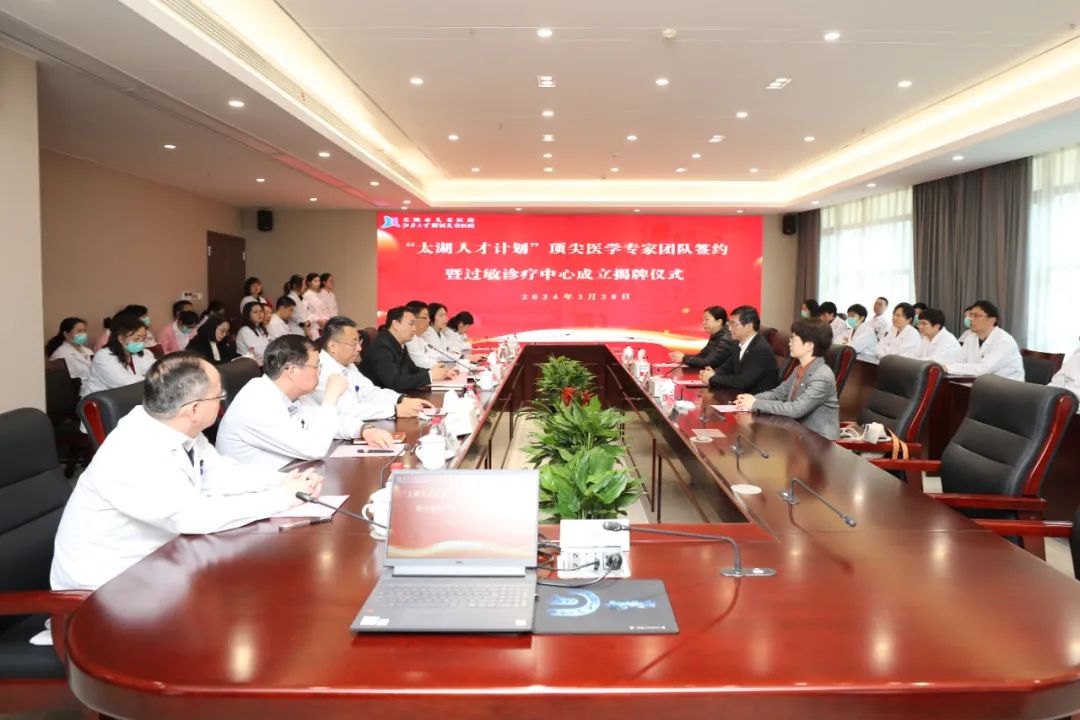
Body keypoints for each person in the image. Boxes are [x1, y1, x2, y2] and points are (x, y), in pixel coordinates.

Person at [50, 352, 322, 592]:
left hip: (163, 561)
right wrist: (281, 498)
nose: (221, 403)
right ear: (194, 409)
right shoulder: (134, 450)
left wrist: (285, 481)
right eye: (219, 396)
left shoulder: (177, 428)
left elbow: (221, 475)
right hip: (108, 588)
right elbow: (195, 518)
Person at [218, 335, 378, 469]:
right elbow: (315, 448)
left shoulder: (293, 394)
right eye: (316, 366)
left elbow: (324, 423)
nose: (320, 372)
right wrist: (331, 396)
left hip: (289, 475)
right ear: (293, 371)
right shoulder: (257, 402)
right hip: (256, 489)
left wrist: (363, 429)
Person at [315, 317, 433, 434]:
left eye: (359, 342)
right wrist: (395, 410)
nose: (359, 348)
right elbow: (349, 411)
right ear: (333, 346)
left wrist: (401, 399)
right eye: (353, 343)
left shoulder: (347, 364)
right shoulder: (322, 371)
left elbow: (371, 392)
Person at [735, 319, 840, 440]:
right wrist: (750, 399)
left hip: (820, 440)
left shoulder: (822, 375)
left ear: (809, 345)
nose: (789, 343)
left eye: (793, 338)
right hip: (798, 434)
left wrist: (755, 404)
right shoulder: (799, 368)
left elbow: (796, 409)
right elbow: (778, 394)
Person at [361, 306, 457, 391]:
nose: (414, 329)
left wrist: (439, 372)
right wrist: (430, 375)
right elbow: (395, 382)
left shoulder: (400, 343)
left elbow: (413, 369)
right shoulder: (382, 347)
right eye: (411, 324)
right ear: (395, 324)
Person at [699, 305, 779, 394]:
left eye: (734, 324)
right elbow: (727, 368)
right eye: (729, 324)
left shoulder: (760, 350)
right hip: (739, 394)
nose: (729, 328)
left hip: (756, 398)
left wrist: (713, 378)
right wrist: (713, 373)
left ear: (749, 326)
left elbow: (743, 382)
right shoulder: (737, 343)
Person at [942, 300, 1025, 380]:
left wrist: (948, 368)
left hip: (1008, 387)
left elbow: (984, 369)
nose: (970, 319)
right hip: (980, 384)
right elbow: (958, 361)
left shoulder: (1004, 341)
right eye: (970, 315)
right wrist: (947, 367)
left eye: (976, 316)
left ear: (992, 320)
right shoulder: (971, 338)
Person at [81, 313, 156, 398]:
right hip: (99, 401)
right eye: (137, 339)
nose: (141, 342)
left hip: (128, 397)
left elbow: (158, 369)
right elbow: (124, 383)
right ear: (121, 339)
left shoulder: (143, 353)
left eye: (143, 338)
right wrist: (154, 378)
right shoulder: (103, 356)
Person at [669, 306, 734, 369]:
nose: (703, 322)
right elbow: (702, 356)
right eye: (703, 320)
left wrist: (684, 358)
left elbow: (708, 363)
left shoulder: (725, 339)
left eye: (707, 319)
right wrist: (682, 357)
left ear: (719, 322)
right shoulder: (716, 335)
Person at [46, 317, 94, 381]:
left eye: (84, 331)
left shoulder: (88, 351)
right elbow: (62, 381)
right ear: (66, 334)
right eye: (79, 331)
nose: (83, 334)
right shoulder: (60, 355)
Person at [402, 300, 436, 369]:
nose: (429, 320)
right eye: (425, 317)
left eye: (429, 317)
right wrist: (440, 366)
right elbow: (420, 362)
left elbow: (433, 354)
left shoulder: (420, 338)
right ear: (413, 318)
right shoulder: (408, 339)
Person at [302, 272, 328, 339]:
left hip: (322, 326)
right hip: (313, 327)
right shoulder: (307, 295)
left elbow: (324, 309)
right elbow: (306, 312)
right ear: (309, 282)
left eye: (319, 281)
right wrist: (318, 319)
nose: (318, 283)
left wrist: (325, 319)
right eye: (315, 281)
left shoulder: (319, 295)